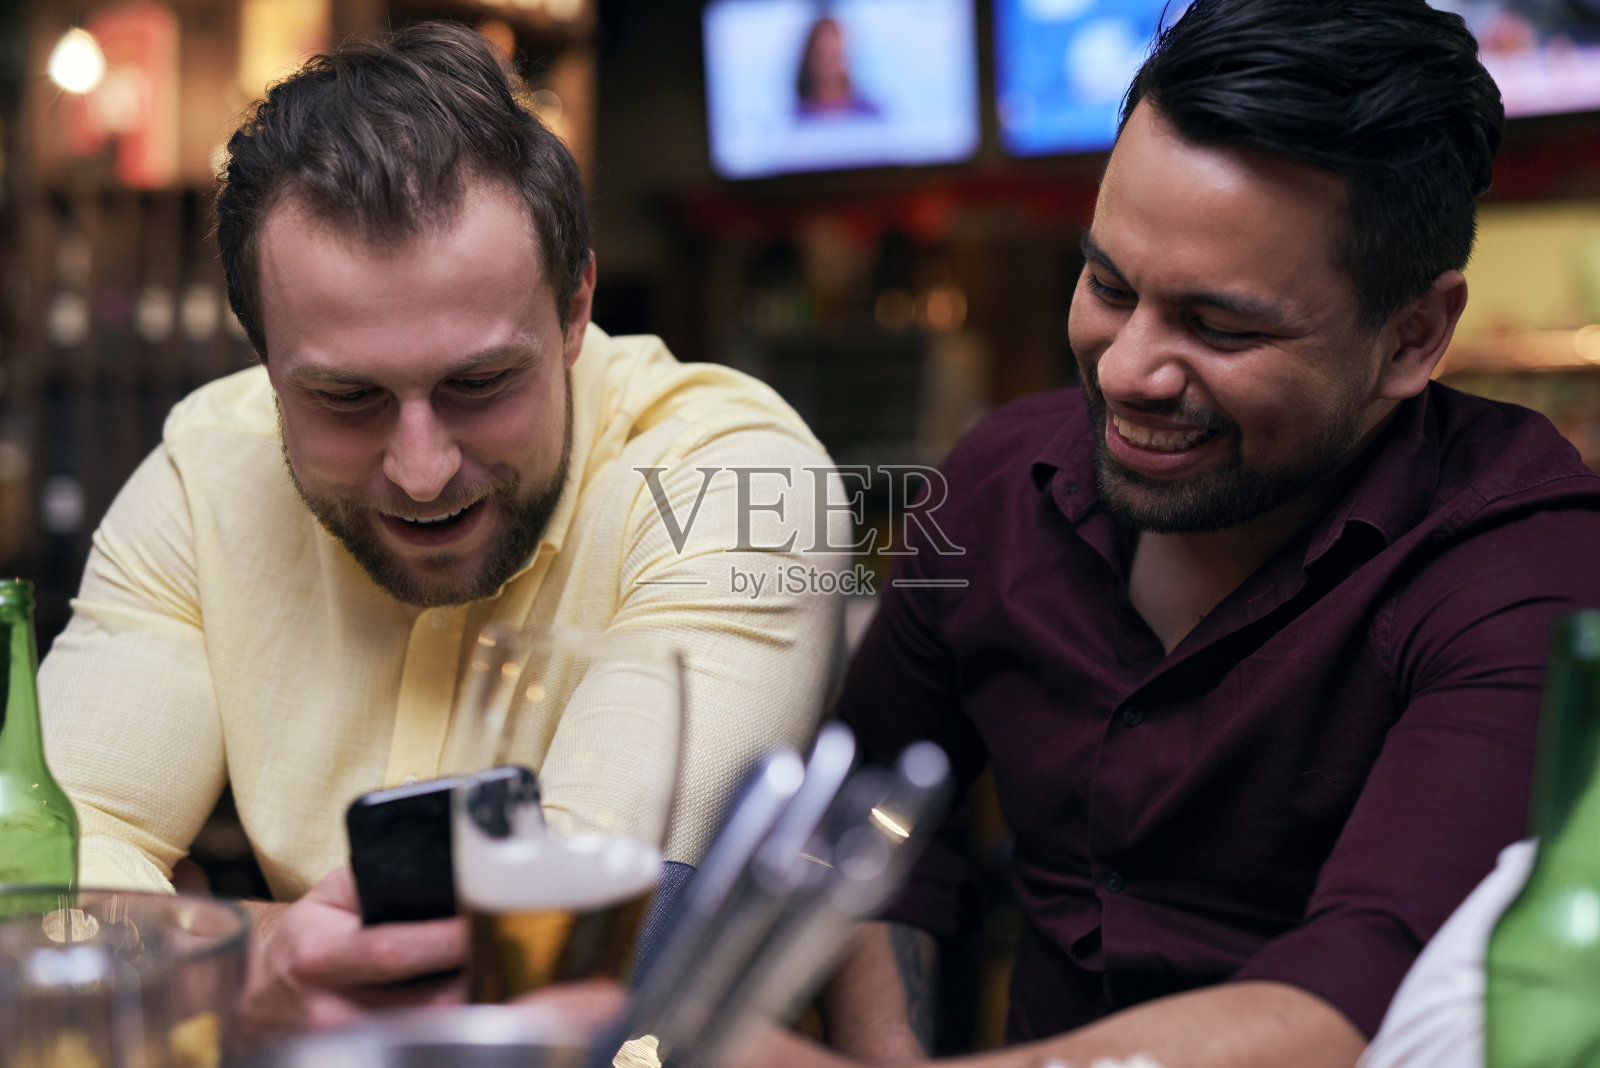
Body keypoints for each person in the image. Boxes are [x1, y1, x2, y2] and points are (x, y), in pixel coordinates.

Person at [755, 1, 1600, 1066]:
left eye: (1220, 327)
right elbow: (871, 828)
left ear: (1411, 336)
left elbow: (1358, 990)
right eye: (1107, 285)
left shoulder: (1525, 563)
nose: (1123, 372)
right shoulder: (995, 486)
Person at [36, 22, 845, 1043]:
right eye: (345, 396)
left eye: (479, 383)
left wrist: (204, 947)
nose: (421, 468)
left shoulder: (732, 481)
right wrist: (242, 968)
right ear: (262, 357)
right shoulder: (208, 470)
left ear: (574, 308)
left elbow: (563, 962)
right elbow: (32, 888)